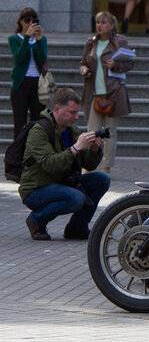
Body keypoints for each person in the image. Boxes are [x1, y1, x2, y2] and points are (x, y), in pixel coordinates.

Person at [19, 88, 109, 241]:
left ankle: (77, 228)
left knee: (102, 179)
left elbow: (88, 164)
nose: (76, 117)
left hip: (62, 183)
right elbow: (51, 165)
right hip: (36, 189)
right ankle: (36, 220)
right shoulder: (39, 131)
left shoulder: (70, 129)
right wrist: (76, 148)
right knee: (76, 198)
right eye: (71, 112)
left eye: (77, 112)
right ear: (56, 109)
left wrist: (94, 150)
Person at [79, 11, 135, 174]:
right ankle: (87, 167)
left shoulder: (119, 41)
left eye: (103, 23)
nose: (99, 26)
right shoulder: (91, 42)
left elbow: (130, 63)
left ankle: (106, 168)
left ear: (111, 25)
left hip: (113, 94)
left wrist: (115, 65)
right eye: (97, 22)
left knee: (110, 132)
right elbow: (83, 63)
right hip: (94, 94)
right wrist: (83, 70)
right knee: (91, 133)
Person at [8, 7, 47, 137]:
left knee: (37, 123)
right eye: (27, 20)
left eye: (33, 20)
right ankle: (18, 156)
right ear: (20, 22)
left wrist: (39, 41)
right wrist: (26, 38)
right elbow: (19, 58)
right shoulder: (14, 39)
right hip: (21, 84)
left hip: (37, 83)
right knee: (19, 123)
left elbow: (42, 60)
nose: (30, 23)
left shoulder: (42, 39)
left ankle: (34, 155)